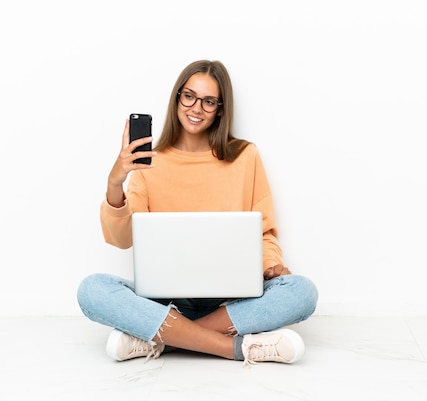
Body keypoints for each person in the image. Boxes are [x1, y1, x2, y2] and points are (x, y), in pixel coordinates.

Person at [77, 59, 318, 365]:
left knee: (301, 292)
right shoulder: (149, 163)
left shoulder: (245, 156)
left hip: (231, 301)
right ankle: (235, 348)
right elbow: (123, 239)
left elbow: (264, 232)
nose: (196, 108)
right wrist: (115, 183)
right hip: (166, 301)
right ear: (177, 97)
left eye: (208, 101)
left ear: (220, 108)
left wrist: (272, 265)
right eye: (189, 96)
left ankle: (159, 339)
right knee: (92, 290)